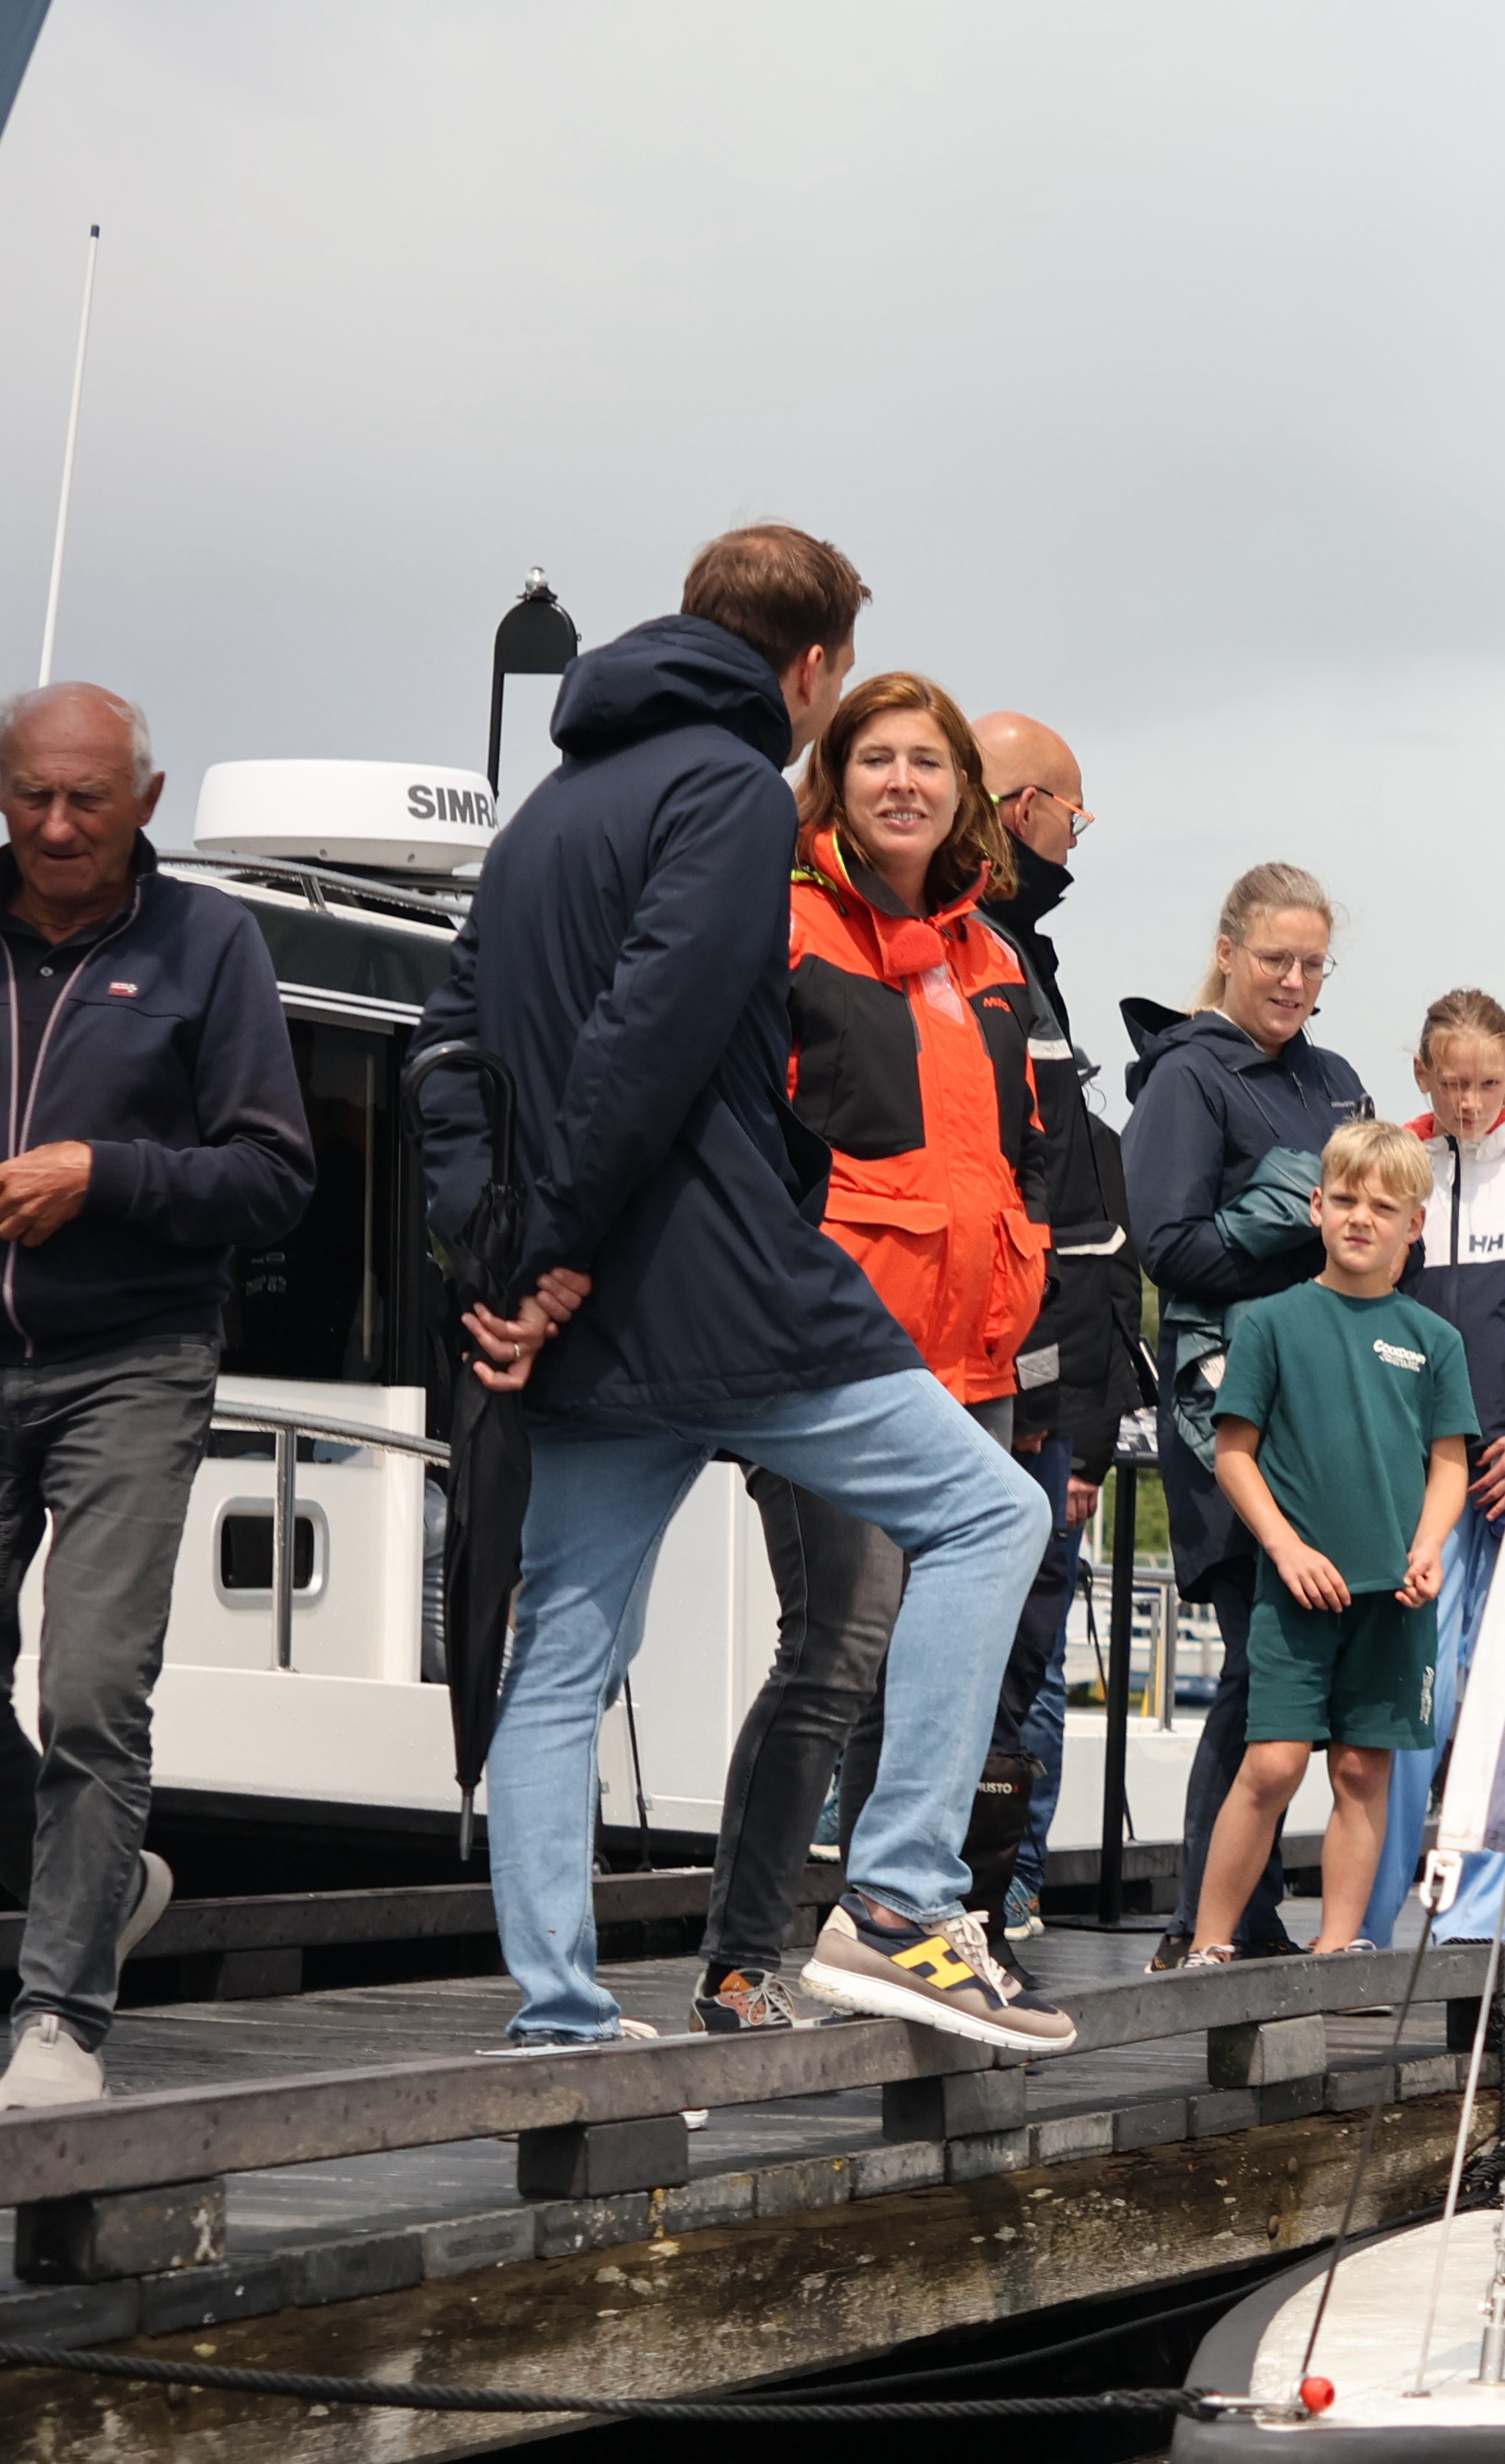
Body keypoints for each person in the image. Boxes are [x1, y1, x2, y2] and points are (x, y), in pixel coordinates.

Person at [415, 525, 1066, 2054]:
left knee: (564, 1645)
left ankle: (561, 2014)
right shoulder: (723, 791)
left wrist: (497, 1260)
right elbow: (650, 1033)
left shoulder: (546, 815)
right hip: (710, 1284)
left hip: (581, 1321)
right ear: (816, 664)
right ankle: (902, 1901)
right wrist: (563, 1246)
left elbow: (447, 1044)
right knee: (994, 1514)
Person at [0, 682, 315, 2109]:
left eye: (86, 799)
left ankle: (59, 2019)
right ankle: (107, 1890)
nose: (55, 823)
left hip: (132, 1362)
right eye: (31, 796)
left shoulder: (211, 944)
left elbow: (275, 1175)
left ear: (145, 803)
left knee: (97, 1689)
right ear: (0, 795)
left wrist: (101, 1172)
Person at [687, 671, 1068, 2034]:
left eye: (928, 761)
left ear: (965, 790)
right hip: (831, 1353)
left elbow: (1027, 1178)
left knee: (934, 1649)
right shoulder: (784, 928)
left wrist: (1023, 1374)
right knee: (839, 1644)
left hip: (965, 1366)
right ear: (834, 781)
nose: (903, 782)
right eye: (875, 760)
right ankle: (746, 1958)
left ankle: (902, 1930)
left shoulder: (997, 960)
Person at [1122, 865, 1371, 1966]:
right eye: (1276, 958)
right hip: (1222, 1407)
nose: (1295, 980)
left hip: (1329, 1408)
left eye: (1314, 964)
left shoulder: (1337, 1080)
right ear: (1228, 950)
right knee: (1254, 1665)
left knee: (1292, 1670)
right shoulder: (1186, 1079)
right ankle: (1204, 1923)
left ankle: (1240, 1914)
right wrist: (1296, 1212)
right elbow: (1168, 1249)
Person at [1182, 1119, 1473, 1963]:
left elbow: (1449, 1467)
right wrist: (1286, 1548)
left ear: (1413, 1225)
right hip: (1296, 1592)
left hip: (1397, 1597)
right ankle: (1208, 1944)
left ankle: (1337, 1946)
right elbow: (1233, 1455)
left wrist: (1427, 1549)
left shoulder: (1436, 1341)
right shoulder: (1269, 1322)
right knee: (1272, 1765)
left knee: (1360, 1772)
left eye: (1384, 1206)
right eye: (1344, 1199)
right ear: (1315, 1206)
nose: (1360, 1218)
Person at [968, 713, 1147, 1936]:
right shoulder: (985, 951)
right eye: (1072, 815)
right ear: (1024, 803)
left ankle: (979, 1902)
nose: (1074, 837)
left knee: (1014, 1661)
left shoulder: (1022, 951)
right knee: (991, 1661)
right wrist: (1065, 1411)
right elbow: (1030, 1209)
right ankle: (968, 1902)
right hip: (1001, 1388)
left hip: (1036, 1396)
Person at [1359, 989, 1505, 1947]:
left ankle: (1478, 1923)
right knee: (1418, 1694)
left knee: (1500, 1698)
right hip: (1425, 1478)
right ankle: (1365, 1918)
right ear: (1423, 1075)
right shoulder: (1398, 1183)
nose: (1469, 1101)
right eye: (1453, 1083)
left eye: (1487, 1084)